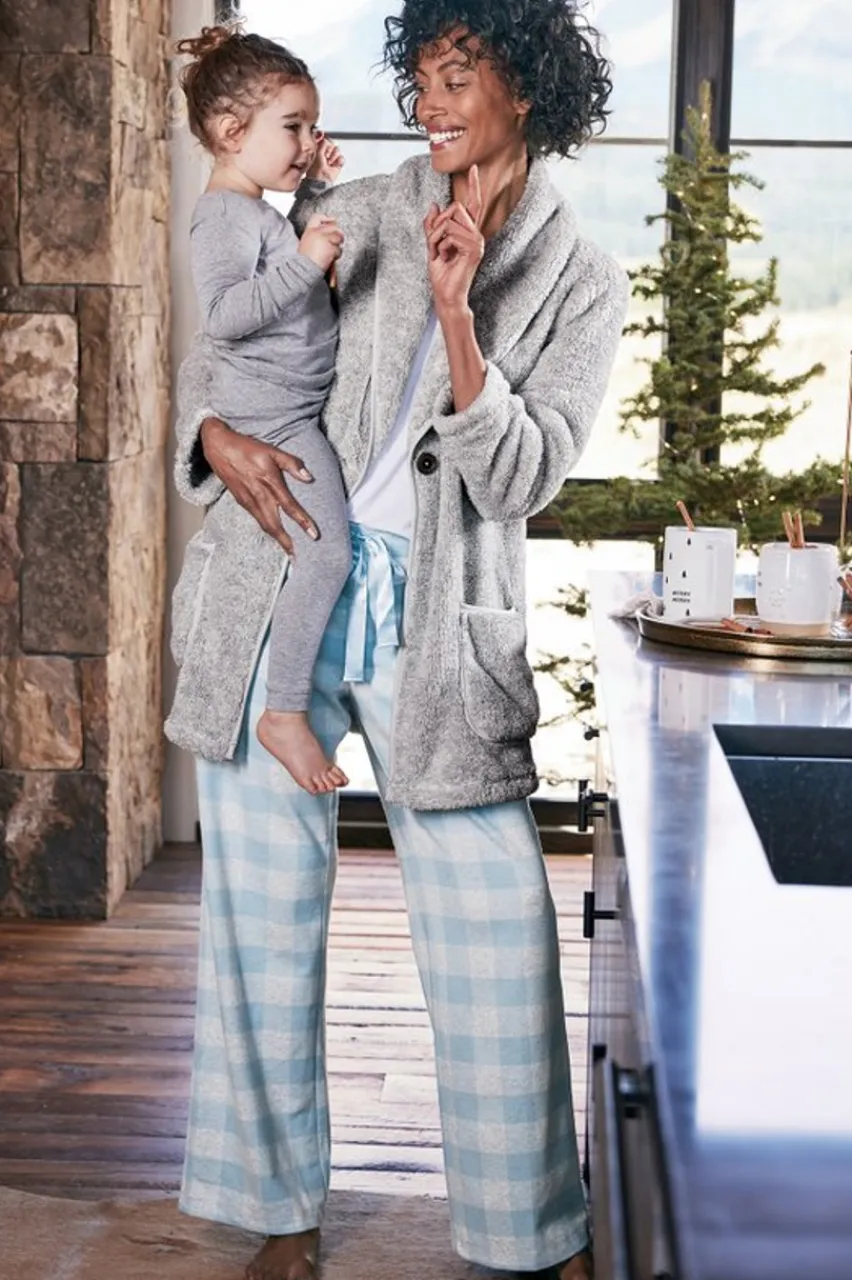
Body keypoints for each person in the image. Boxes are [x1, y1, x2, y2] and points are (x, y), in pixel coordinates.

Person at [167, 1, 629, 1276]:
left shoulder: (583, 280)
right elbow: (232, 336)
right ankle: (277, 1212)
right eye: (420, 76)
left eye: (457, 74)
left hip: (439, 619)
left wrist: (460, 317)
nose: (429, 102)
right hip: (280, 579)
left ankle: (528, 1224)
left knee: (496, 927)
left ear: (526, 87)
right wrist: (209, 434)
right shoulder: (361, 207)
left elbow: (524, 474)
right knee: (262, 914)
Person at [176, 25, 355, 795]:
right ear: (230, 132)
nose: (307, 142)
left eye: (312, 127)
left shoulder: (253, 210)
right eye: (293, 127)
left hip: (292, 406)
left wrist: (312, 195)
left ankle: (286, 707)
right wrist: (310, 261)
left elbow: (277, 262)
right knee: (327, 554)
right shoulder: (220, 216)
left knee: (324, 551)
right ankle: (283, 712)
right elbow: (226, 315)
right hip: (275, 420)